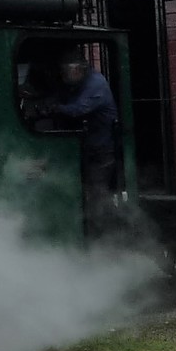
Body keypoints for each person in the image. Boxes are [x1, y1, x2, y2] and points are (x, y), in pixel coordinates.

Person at [29, 52, 120, 231]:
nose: (63, 76)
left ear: (78, 69)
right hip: (86, 148)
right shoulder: (77, 84)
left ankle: (103, 234)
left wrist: (53, 109)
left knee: (97, 195)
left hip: (100, 151)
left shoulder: (96, 85)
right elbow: (61, 96)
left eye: (66, 72)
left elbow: (78, 109)